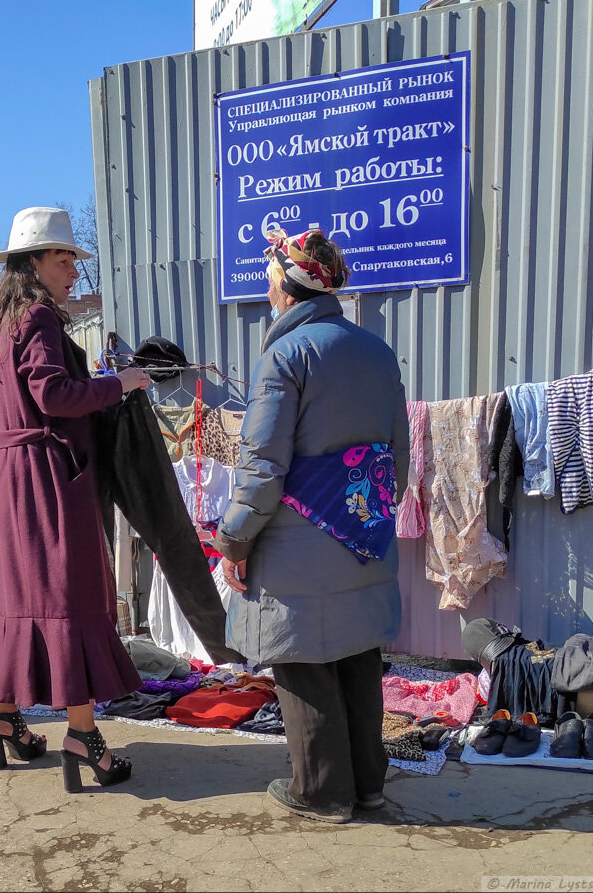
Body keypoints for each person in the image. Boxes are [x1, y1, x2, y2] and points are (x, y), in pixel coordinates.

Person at [214, 228, 410, 825]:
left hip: (297, 538)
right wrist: (367, 510)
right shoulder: (376, 350)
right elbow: (397, 456)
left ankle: (322, 793)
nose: (266, 288)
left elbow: (263, 464)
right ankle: (368, 785)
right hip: (363, 531)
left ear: (288, 286)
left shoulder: (286, 356)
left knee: (300, 659)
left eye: (270, 278)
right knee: (355, 654)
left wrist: (235, 540)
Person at [0, 206, 151, 792]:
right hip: (46, 476)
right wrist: (121, 383)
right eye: (62, 258)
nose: (72, 269)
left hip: (8, 474)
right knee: (70, 594)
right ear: (33, 263)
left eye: (73, 259)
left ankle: (5, 719)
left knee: (21, 595)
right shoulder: (40, 318)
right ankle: (83, 736)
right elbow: (53, 394)